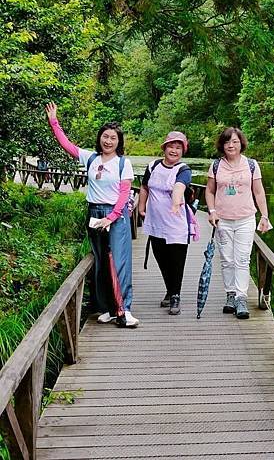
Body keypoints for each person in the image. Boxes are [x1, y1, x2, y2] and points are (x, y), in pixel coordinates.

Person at [45, 102, 139, 328]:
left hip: (115, 216)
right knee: (99, 263)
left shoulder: (123, 164)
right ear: (100, 138)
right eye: (105, 136)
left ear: (119, 142)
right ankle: (106, 308)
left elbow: (124, 194)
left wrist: (112, 217)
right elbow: (67, 145)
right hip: (94, 212)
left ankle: (123, 310)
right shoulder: (90, 158)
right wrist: (54, 122)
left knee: (118, 261)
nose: (108, 141)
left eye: (113, 138)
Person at [205, 127, 270, 319]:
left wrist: (264, 216)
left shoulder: (251, 165)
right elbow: (209, 191)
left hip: (245, 219)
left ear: (241, 143)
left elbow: (258, 192)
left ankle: (241, 297)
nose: (230, 145)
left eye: (234, 141)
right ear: (222, 145)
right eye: (227, 142)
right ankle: (230, 295)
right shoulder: (216, 166)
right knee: (227, 259)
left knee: (242, 259)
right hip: (222, 220)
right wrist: (212, 211)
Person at [138, 131, 193, 316]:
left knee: (176, 261)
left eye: (178, 147)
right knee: (161, 258)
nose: (174, 150)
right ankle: (170, 291)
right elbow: (145, 187)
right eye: (171, 146)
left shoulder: (183, 169)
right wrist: (141, 207)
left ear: (182, 151)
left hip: (177, 223)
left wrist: (177, 202)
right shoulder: (153, 166)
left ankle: (176, 295)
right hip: (155, 222)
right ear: (164, 148)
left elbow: (180, 186)